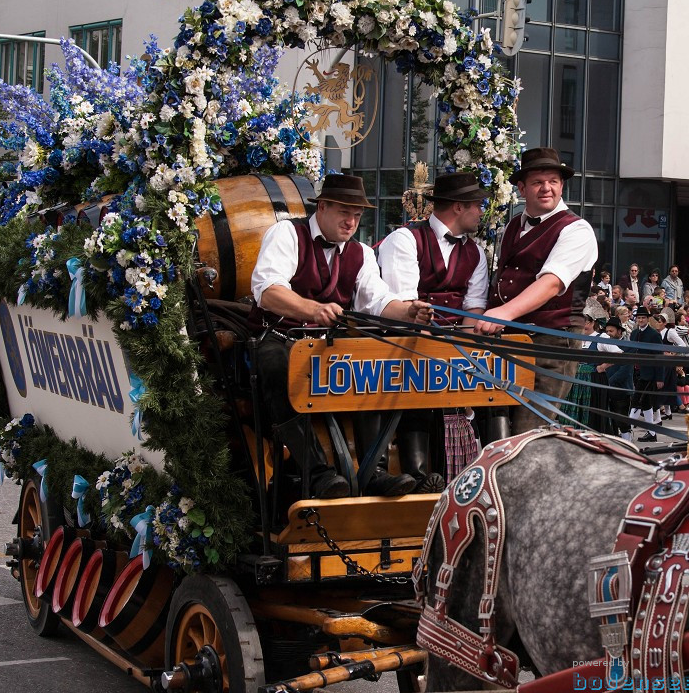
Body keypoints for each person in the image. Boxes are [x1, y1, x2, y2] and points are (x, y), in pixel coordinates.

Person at [250, 174, 431, 498]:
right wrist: (310, 309)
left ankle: (373, 472)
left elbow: (376, 301)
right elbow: (268, 291)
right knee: (278, 370)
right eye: (344, 212)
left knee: (370, 363)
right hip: (279, 335)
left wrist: (407, 312)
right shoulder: (288, 234)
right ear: (322, 207)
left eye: (357, 215)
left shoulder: (360, 252)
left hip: (330, 342)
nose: (351, 221)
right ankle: (319, 475)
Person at [377, 170, 490, 490]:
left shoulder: (476, 252)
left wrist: (463, 353)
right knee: (419, 371)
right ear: (458, 206)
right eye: (477, 205)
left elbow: (473, 309)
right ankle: (418, 474)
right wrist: (440, 354)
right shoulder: (405, 239)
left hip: (452, 348)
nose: (481, 212)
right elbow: (404, 307)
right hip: (407, 345)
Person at [474, 147, 598, 434]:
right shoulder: (512, 227)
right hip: (508, 340)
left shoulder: (577, 230)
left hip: (551, 344)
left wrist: (501, 313)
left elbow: (552, 282)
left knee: (527, 432)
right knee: (494, 428)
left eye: (553, 181)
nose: (546, 188)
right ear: (521, 188)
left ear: (562, 185)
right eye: (537, 182)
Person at [629, 307, 664, 442]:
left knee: (638, 400)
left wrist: (660, 378)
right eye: (639, 318)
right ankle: (651, 432)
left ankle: (628, 428)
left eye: (643, 317)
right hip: (636, 371)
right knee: (645, 403)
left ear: (648, 319)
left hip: (649, 373)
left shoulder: (654, 334)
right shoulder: (634, 333)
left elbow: (659, 356)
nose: (641, 320)